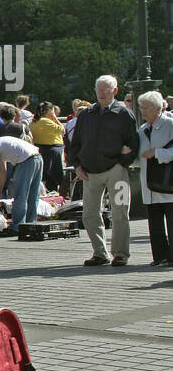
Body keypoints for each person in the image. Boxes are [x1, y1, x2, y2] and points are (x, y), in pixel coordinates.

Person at [69, 75, 140, 267]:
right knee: (89, 214)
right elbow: (75, 143)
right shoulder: (86, 114)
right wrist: (77, 165)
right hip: (90, 172)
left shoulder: (124, 114)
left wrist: (122, 163)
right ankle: (100, 253)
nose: (101, 93)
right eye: (99, 89)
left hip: (117, 171)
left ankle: (120, 254)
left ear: (115, 91)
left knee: (120, 213)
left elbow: (134, 143)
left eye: (106, 89)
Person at [0, 137, 42, 233]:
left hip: (25, 160)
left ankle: (17, 226)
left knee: (20, 195)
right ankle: (31, 224)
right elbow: (3, 172)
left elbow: (2, 172)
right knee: (33, 195)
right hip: (37, 157)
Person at [137, 90, 173, 266]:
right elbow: (139, 156)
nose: (143, 111)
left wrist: (158, 153)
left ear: (158, 108)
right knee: (155, 222)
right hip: (149, 183)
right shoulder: (142, 129)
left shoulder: (170, 124)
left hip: (168, 182)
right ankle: (160, 256)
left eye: (147, 107)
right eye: (141, 107)